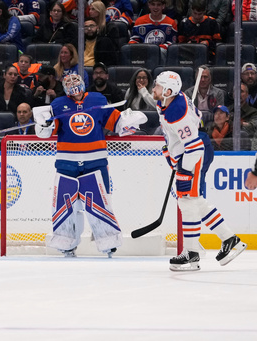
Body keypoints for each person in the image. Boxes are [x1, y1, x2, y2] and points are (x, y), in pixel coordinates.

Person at [33, 73, 147, 257]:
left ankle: (108, 242)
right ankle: (66, 243)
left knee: (100, 202)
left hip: (95, 161)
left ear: (83, 82)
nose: (72, 84)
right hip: (66, 163)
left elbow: (116, 122)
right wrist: (43, 125)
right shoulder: (57, 104)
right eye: (68, 81)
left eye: (75, 80)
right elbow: (47, 133)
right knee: (65, 203)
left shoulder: (97, 99)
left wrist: (128, 122)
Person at [151, 71, 247, 271]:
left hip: (195, 153)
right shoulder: (168, 101)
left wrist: (185, 171)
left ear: (168, 91)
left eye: (158, 86)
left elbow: (193, 146)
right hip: (188, 151)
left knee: (188, 200)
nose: (154, 88)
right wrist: (172, 153)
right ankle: (225, 242)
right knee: (190, 200)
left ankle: (197, 252)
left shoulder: (177, 112)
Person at [235, 82, 257, 149]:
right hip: (228, 144)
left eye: (241, 92)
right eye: (236, 91)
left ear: (247, 95)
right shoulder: (228, 110)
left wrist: (240, 123)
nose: (238, 94)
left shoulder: (253, 112)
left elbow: (253, 126)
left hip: (248, 145)